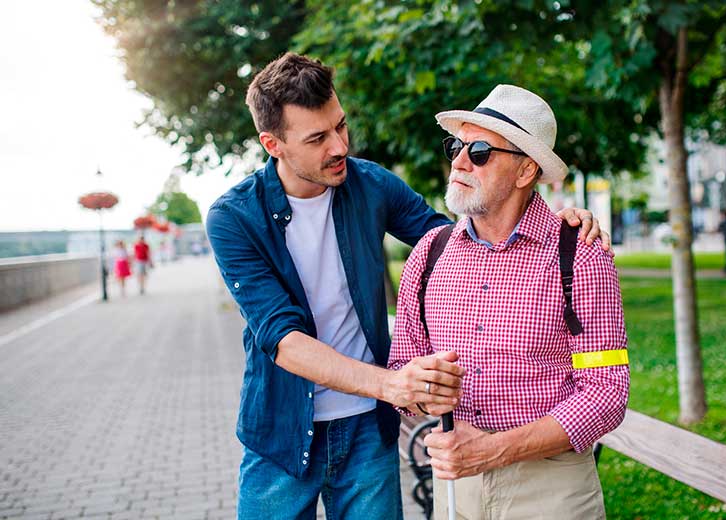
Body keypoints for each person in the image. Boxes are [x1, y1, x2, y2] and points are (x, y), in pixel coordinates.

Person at [205, 54, 609, 519]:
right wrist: (394, 384)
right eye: (318, 138)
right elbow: (283, 340)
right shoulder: (234, 217)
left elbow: (463, 240)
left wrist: (561, 226)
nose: (339, 146)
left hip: (367, 431)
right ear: (272, 144)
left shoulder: (371, 184)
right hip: (280, 430)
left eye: (341, 126)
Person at [389, 84, 630, 520]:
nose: (459, 161)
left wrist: (491, 451)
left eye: (480, 151)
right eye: (456, 146)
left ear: (525, 171)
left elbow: (606, 393)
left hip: (551, 490)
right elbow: (401, 371)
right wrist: (421, 390)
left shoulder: (581, 253)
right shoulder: (429, 252)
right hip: (454, 484)